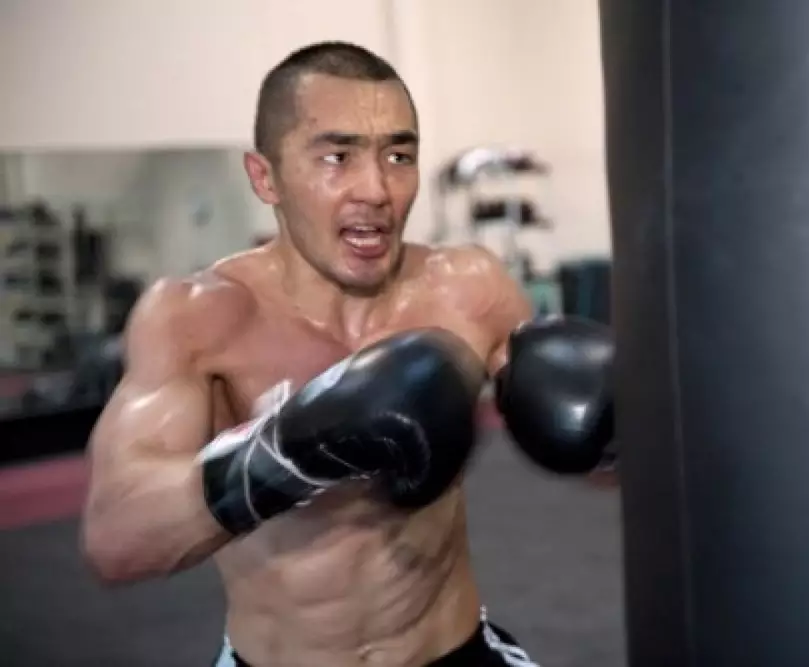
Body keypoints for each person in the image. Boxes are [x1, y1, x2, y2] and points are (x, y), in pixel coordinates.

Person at [81, 41, 614, 667]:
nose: (377, 188)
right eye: (338, 157)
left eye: (398, 155)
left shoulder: (467, 289)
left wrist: (616, 427)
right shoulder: (197, 316)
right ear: (265, 177)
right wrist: (291, 449)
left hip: (454, 650)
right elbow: (117, 538)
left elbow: (592, 454)